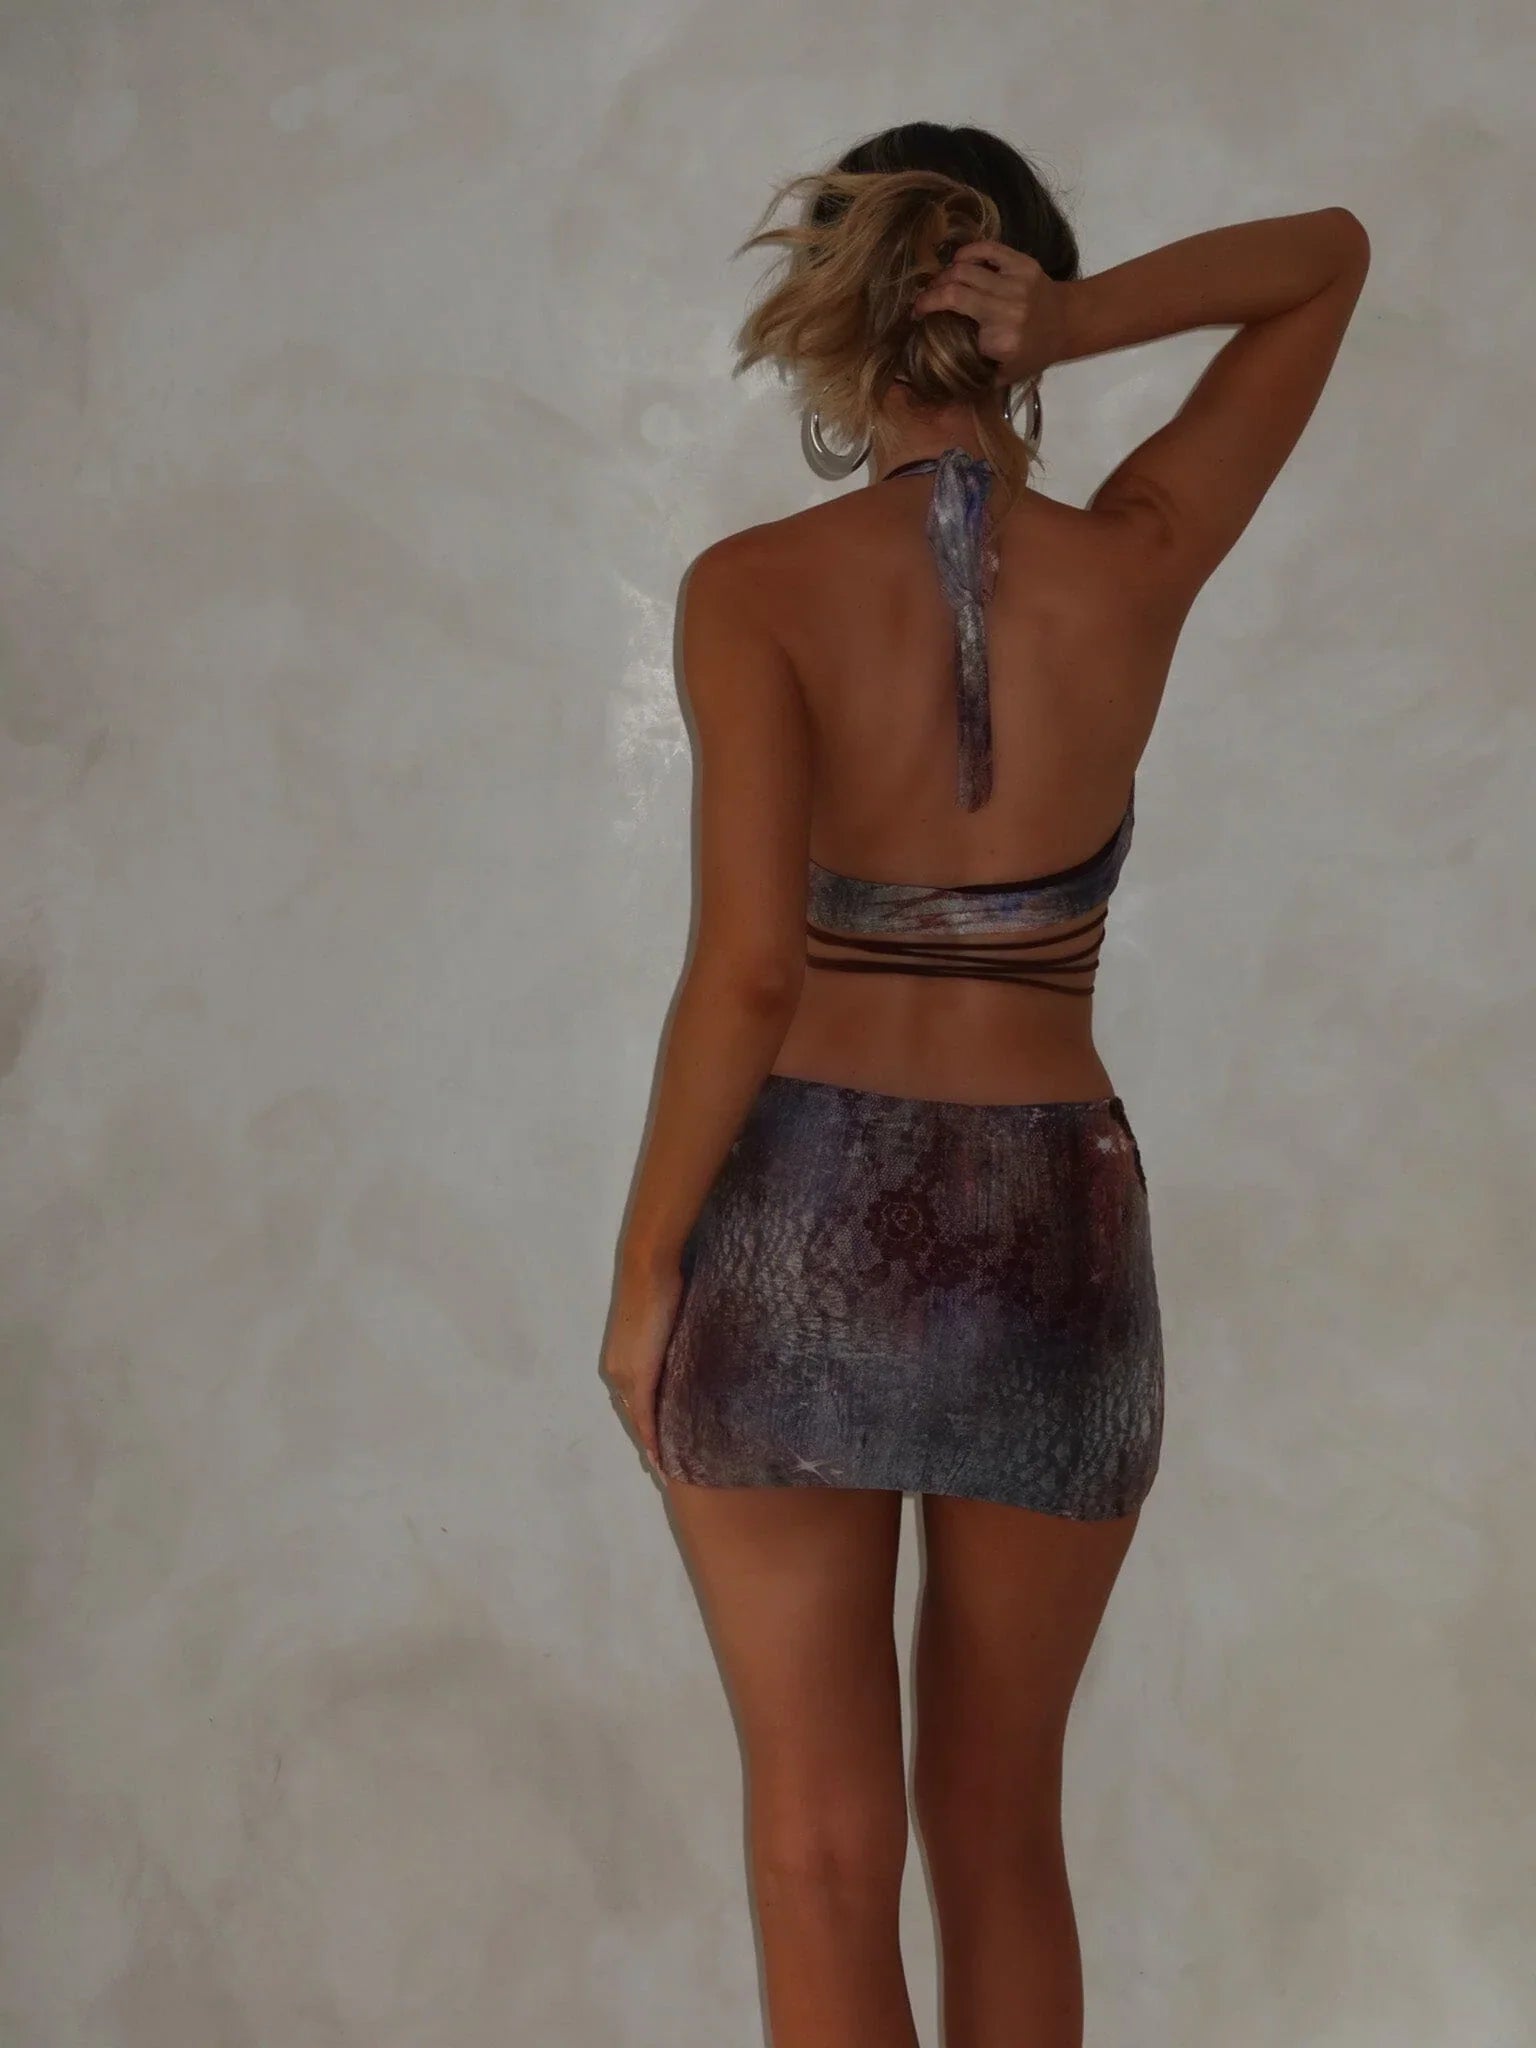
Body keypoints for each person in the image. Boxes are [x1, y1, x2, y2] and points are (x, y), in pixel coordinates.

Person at [601, 121, 1369, 2048]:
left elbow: (749, 972)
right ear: (1017, 304)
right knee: (1004, 1830)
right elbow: (1329, 253)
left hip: (795, 1213)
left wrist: (645, 1274)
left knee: (820, 1851)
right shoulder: (1137, 561)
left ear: (839, 318)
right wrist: (1084, 325)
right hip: (1052, 1224)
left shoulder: (752, 588)